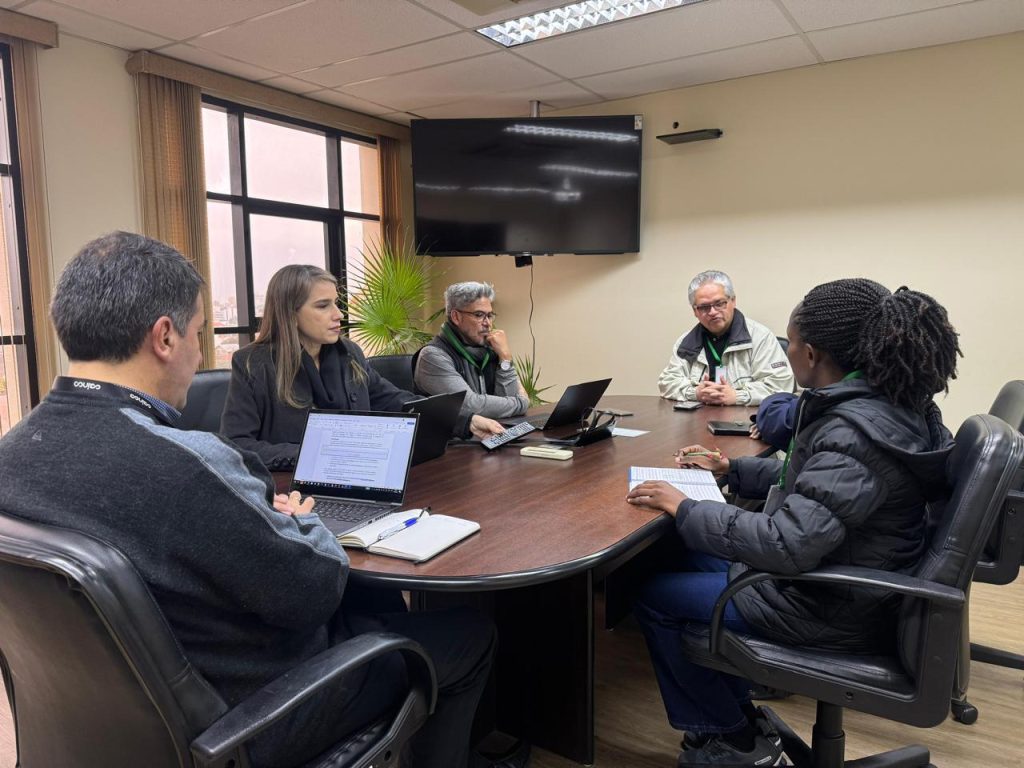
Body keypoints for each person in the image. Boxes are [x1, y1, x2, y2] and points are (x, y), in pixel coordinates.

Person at [0, 232, 498, 768]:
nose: (198, 351)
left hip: (103, 724)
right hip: (250, 717)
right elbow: (313, 591)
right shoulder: (191, 463)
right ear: (165, 337)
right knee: (469, 636)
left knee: (370, 604)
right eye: (197, 333)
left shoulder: (9, 457)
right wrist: (306, 527)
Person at [627, 278, 960, 767]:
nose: (788, 354)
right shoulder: (883, 405)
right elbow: (816, 481)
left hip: (824, 603)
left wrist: (686, 506)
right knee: (681, 548)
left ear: (814, 353)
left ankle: (732, 739)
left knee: (653, 596)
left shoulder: (855, 429)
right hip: (854, 580)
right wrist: (731, 468)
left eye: (793, 343)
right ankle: (740, 715)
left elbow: (787, 544)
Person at [221, 265, 504, 472]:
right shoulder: (252, 363)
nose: (338, 314)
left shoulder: (349, 353)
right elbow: (237, 444)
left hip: (361, 476)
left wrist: (465, 421)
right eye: (323, 306)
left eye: (336, 303)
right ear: (290, 314)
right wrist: (317, 453)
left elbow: (396, 401)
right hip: (291, 495)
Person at [658, 270, 794, 406]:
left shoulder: (761, 337)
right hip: (697, 420)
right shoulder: (686, 342)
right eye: (704, 307)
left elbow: (780, 385)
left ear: (733, 301)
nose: (712, 312)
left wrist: (737, 396)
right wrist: (695, 393)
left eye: (719, 303)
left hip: (745, 421)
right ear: (695, 311)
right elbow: (667, 382)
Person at [414, 281, 529, 421]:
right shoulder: (433, 356)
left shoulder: (491, 348)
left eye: (490, 315)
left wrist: (505, 358)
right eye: (479, 315)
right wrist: (521, 403)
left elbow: (506, 405)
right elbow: (471, 406)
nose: (488, 323)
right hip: (452, 441)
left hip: (492, 434)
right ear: (456, 317)